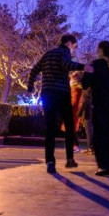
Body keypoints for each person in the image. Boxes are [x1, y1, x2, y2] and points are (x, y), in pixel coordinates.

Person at [27, 34, 85, 173]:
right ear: (69, 43)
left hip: (47, 93)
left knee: (50, 128)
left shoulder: (48, 54)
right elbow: (66, 65)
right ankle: (70, 159)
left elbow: (34, 70)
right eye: (74, 46)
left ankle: (50, 162)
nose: (74, 50)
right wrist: (83, 67)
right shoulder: (64, 52)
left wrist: (30, 87)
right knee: (69, 126)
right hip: (61, 93)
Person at [80, 41, 109, 176]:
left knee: (100, 135)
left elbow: (85, 84)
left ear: (101, 50)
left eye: (98, 48)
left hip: (101, 104)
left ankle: (103, 166)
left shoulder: (94, 64)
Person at [62, 72, 83, 153]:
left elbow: (73, 101)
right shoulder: (77, 88)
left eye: (70, 79)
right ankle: (74, 146)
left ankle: (75, 146)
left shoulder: (75, 89)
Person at [78, 86, 94, 155]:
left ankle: (91, 148)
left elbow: (84, 102)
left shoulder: (86, 89)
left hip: (88, 113)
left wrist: (79, 113)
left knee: (89, 130)